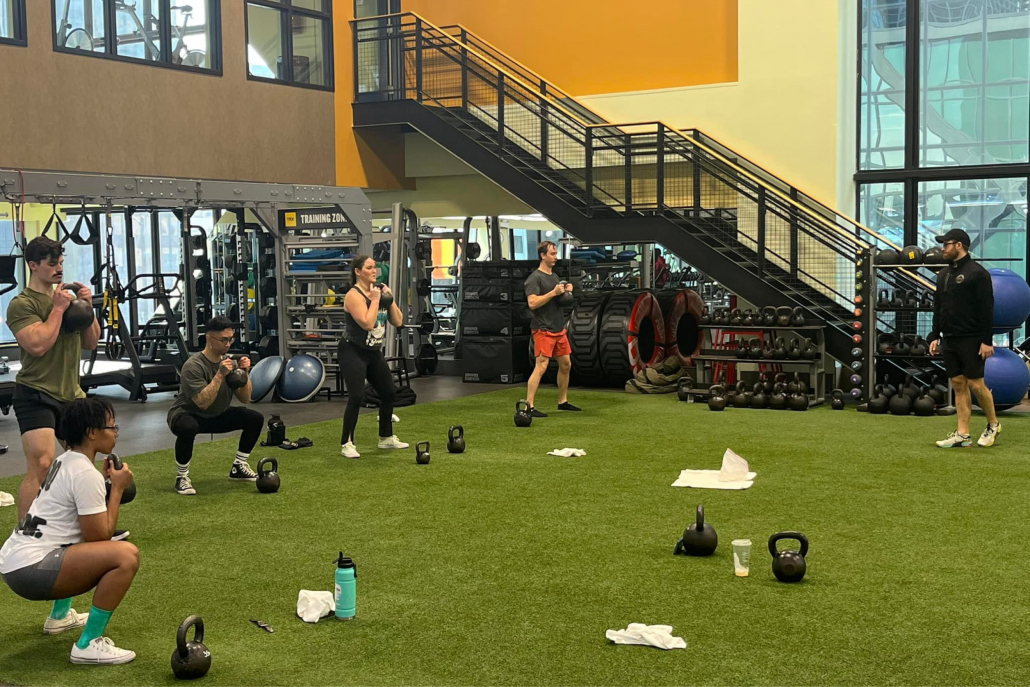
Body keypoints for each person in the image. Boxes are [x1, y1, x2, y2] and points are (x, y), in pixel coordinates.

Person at [0, 397, 140, 665]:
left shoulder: (67, 461)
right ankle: (88, 645)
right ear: (92, 432)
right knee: (126, 556)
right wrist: (117, 489)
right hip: (30, 571)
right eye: (112, 427)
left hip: (14, 562)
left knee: (71, 544)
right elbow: (99, 537)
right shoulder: (84, 473)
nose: (116, 433)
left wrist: (105, 484)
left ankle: (60, 616)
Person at [7, 238, 112, 529]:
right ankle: (27, 534)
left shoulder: (69, 300)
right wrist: (57, 310)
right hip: (35, 393)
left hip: (71, 394)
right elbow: (37, 345)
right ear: (33, 265)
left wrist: (87, 308)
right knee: (41, 466)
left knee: (83, 467)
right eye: (52, 264)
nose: (58, 269)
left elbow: (91, 342)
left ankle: (92, 527)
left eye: (61, 263)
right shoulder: (22, 304)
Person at [166, 315, 264, 494]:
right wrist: (220, 375)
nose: (228, 344)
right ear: (209, 339)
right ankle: (182, 477)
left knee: (254, 418)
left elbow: (245, 398)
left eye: (230, 339)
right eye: (223, 340)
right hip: (188, 414)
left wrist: (244, 373)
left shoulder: (230, 362)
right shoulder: (193, 366)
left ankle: (239, 467)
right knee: (188, 427)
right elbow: (202, 403)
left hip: (216, 414)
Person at [928, 228, 1000, 448]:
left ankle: (993, 424)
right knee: (958, 384)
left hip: (972, 338)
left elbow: (987, 309)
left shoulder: (978, 273)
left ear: (959, 245)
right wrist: (934, 334)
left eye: (946, 244)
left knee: (977, 385)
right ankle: (963, 434)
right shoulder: (943, 274)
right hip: (950, 338)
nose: (943, 248)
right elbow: (939, 307)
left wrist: (987, 340)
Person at [338, 255, 408, 458]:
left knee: (389, 392)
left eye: (375, 267)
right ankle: (347, 443)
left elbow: (398, 321)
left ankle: (386, 438)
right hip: (352, 351)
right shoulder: (354, 295)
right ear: (358, 272)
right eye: (369, 268)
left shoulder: (379, 293)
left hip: (373, 352)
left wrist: (390, 299)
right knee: (357, 396)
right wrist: (377, 301)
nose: (374, 271)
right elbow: (368, 324)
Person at [524, 241, 580, 417]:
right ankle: (528, 406)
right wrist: (553, 293)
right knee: (541, 366)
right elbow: (532, 303)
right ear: (543, 255)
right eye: (552, 254)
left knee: (566, 364)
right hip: (543, 329)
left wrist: (567, 291)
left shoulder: (554, 277)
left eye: (556, 253)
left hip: (558, 329)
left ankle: (562, 402)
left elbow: (558, 300)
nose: (556, 257)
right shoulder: (534, 278)